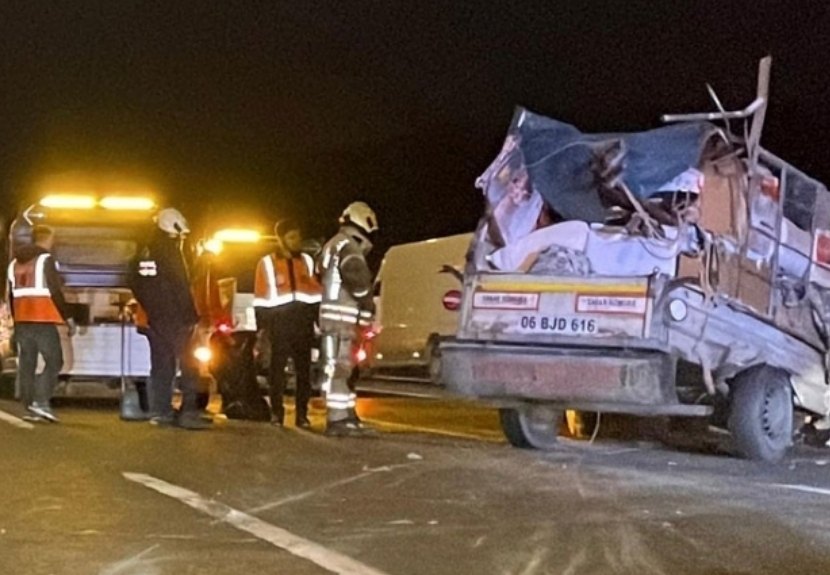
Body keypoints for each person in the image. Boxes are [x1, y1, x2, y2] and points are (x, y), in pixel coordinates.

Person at [128, 207, 209, 430]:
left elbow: (132, 279)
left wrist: (149, 306)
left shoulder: (145, 250)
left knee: (161, 366)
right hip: (176, 319)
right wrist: (191, 316)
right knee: (190, 365)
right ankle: (188, 413)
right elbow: (180, 285)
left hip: (154, 320)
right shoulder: (170, 251)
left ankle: (161, 412)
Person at [253, 219, 322, 428]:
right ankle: (277, 413)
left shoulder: (307, 261)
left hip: (303, 323)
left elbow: (316, 292)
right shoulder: (267, 263)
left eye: (298, 236)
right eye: (292, 237)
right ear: (281, 239)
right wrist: (263, 329)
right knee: (277, 372)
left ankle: (302, 415)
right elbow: (260, 296)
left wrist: (317, 320)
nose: (297, 241)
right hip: (279, 324)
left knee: (304, 371)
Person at [317, 201, 378, 436]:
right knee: (341, 369)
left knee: (343, 368)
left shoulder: (333, 244)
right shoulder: (349, 247)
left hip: (332, 317)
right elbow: (359, 282)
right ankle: (338, 419)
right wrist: (367, 307)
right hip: (343, 318)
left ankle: (347, 415)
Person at [7, 225, 76, 422]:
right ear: (47, 239)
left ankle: (29, 407)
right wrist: (68, 318)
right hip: (42, 319)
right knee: (55, 361)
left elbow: (12, 295)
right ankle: (41, 402)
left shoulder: (14, 264)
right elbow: (55, 291)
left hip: (22, 321)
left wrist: (14, 322)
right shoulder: (45, 260)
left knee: (27, 364)